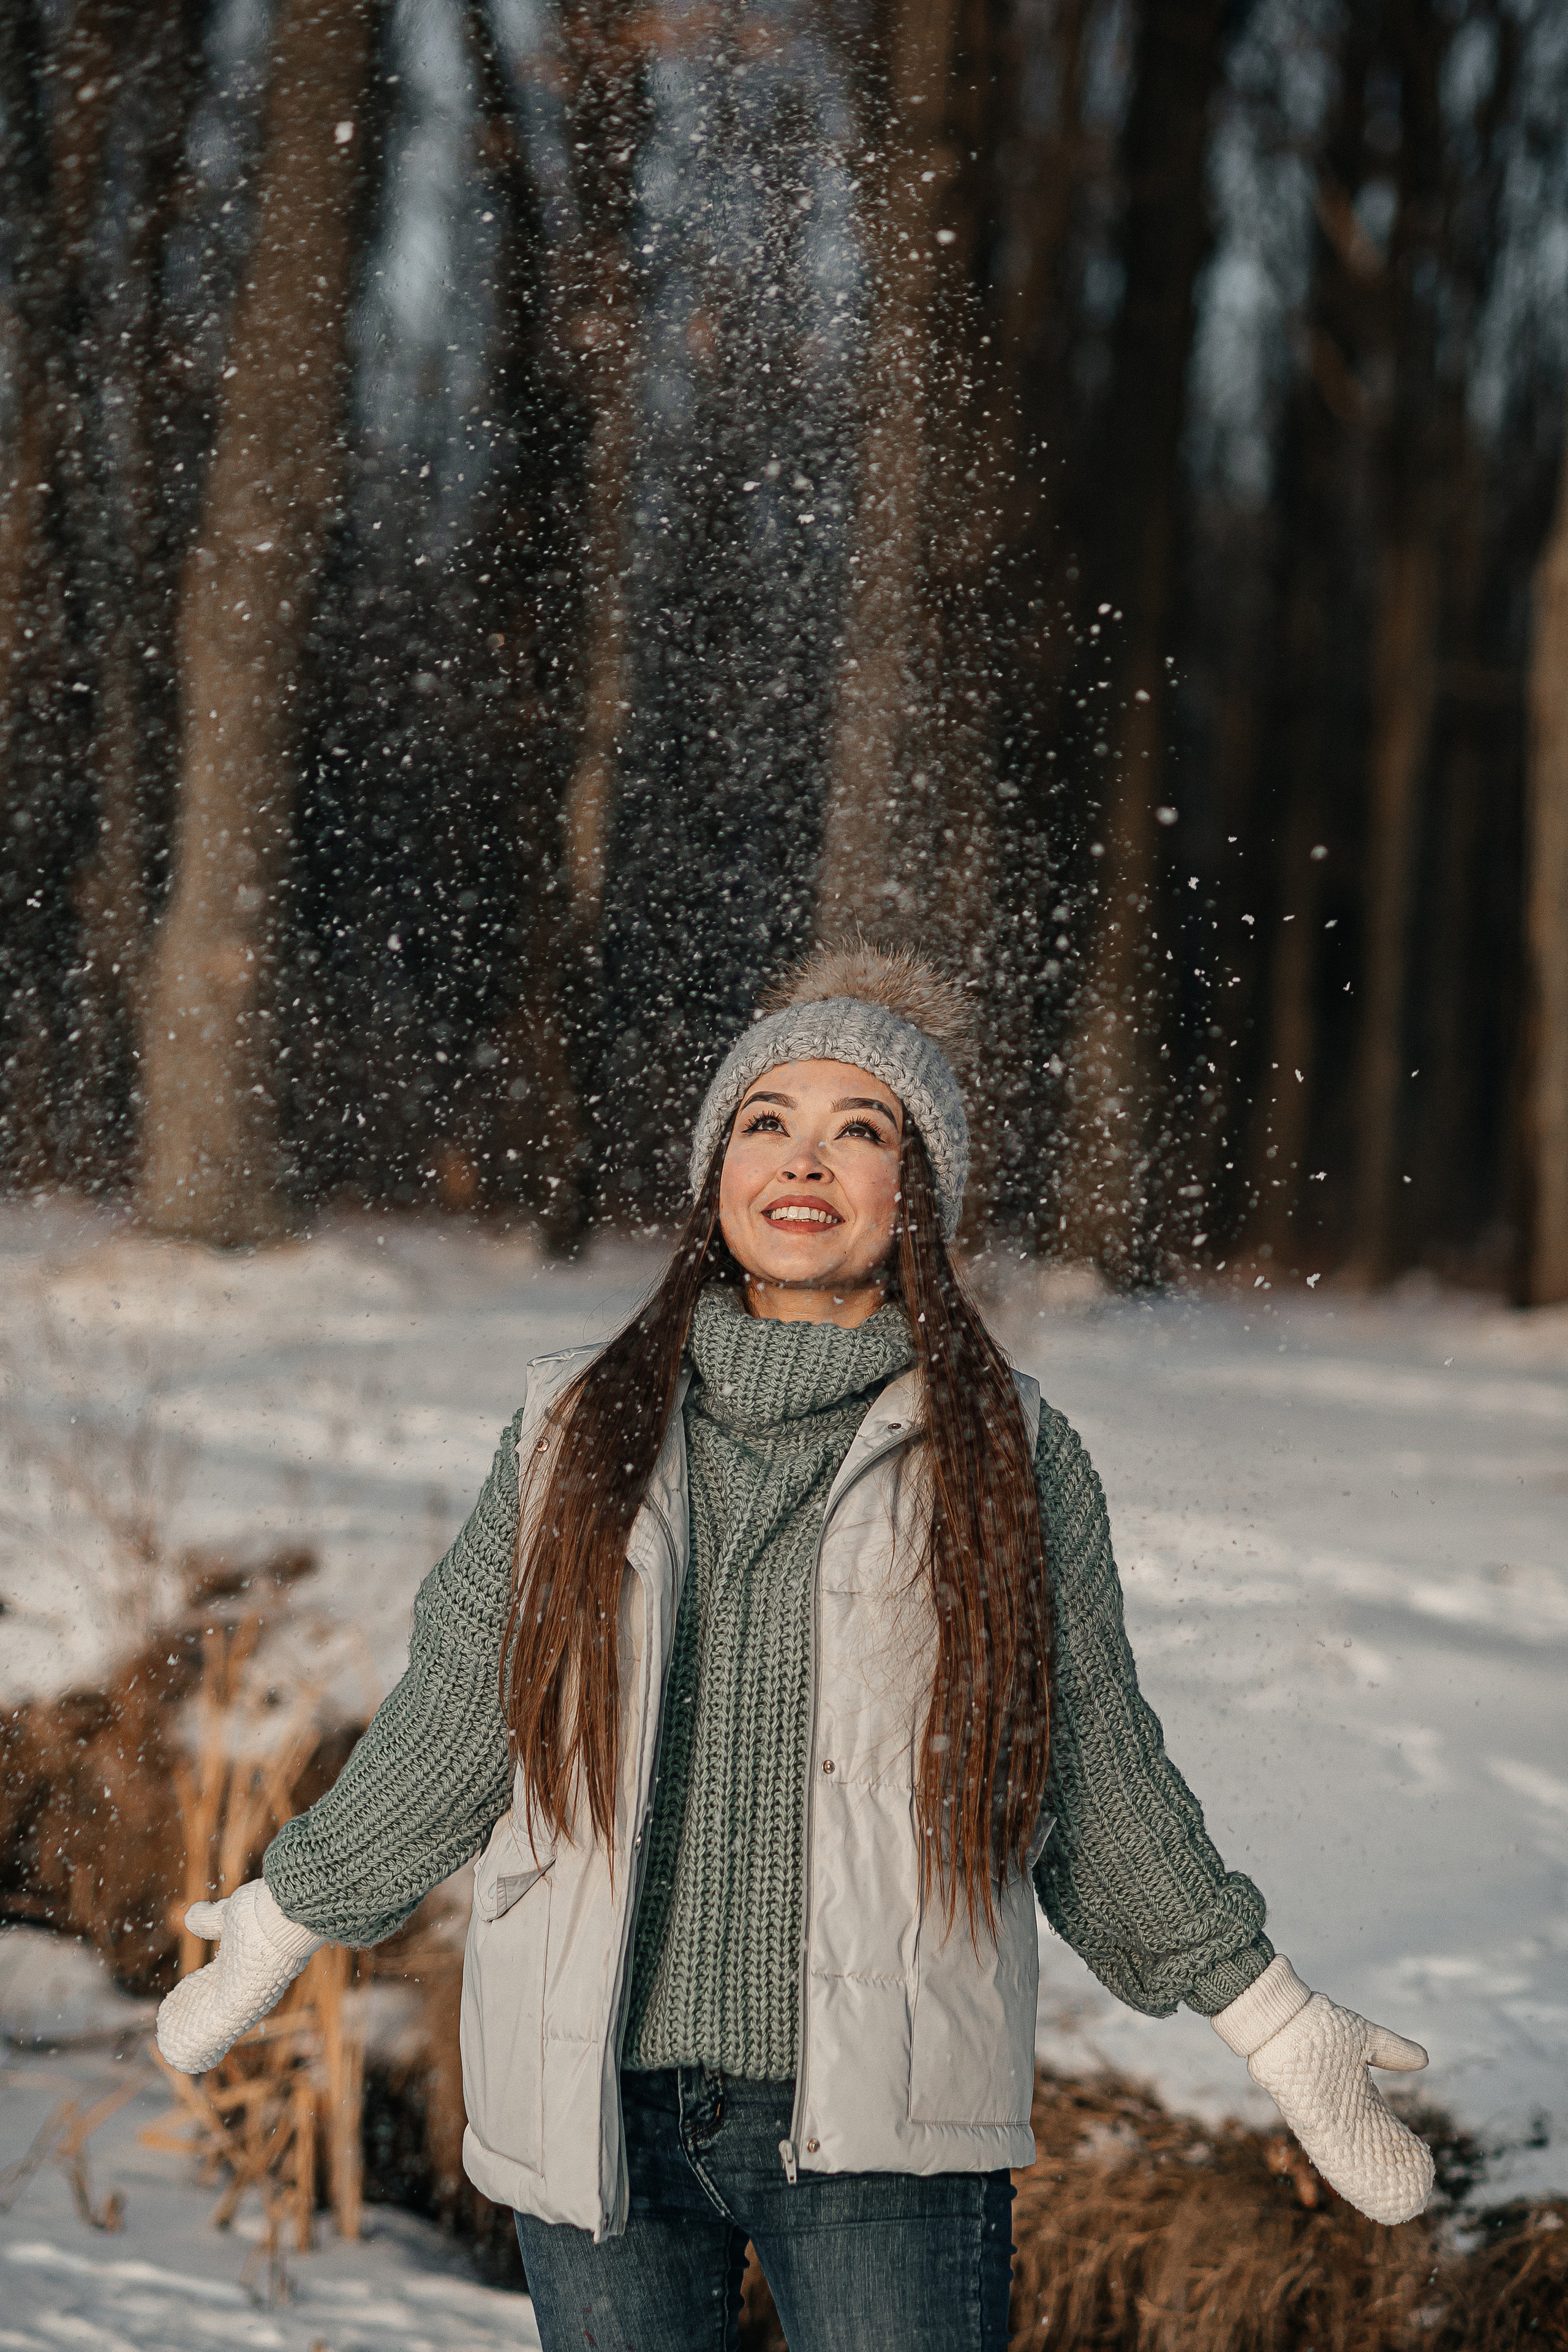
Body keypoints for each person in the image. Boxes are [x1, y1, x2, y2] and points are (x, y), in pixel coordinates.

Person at [158, 941, 1434, 2352]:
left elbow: (1088, 1772)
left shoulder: (1005, 1453)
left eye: (859, 1130)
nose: (802, 1160)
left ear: (915, 1196)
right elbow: (462, 1717)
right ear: (716, 1173)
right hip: (594, 2114)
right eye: (765, 1121)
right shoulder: (570, 1431)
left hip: (885, 2128)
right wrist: (284, 1917)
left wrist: (1273, 2024)